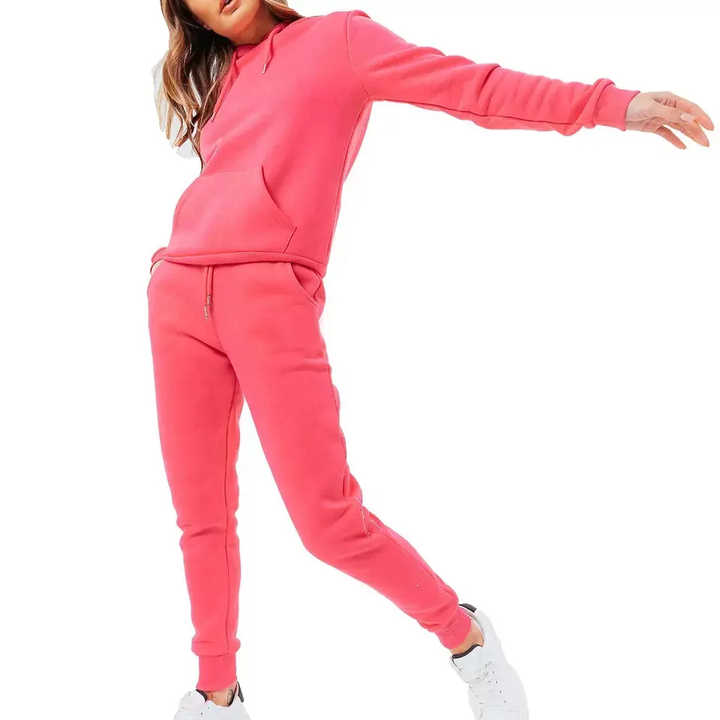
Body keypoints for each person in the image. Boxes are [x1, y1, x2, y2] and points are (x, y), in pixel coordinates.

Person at [148, 1, 713, 718]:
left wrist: (611, 106)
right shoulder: (221, 79)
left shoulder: (339, 41)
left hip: (270, 298)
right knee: (201, 516)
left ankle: (468, 640)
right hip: (177, 297)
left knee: (328, 525)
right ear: (188, 15)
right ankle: (216, 694)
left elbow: (472, 87)